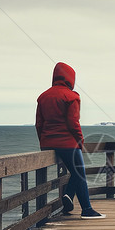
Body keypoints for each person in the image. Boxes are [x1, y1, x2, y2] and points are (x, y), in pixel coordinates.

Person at [35, 61, 106, 219]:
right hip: (68, 144)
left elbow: (38, 124)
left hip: (47, 143)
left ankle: (68, 196)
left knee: (75, 172)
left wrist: (44, 141)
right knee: (79, 173)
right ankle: (86, 209)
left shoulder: (42, 97)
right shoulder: (72, 96)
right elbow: (73, 123)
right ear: (70, 78)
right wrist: (80, 140)